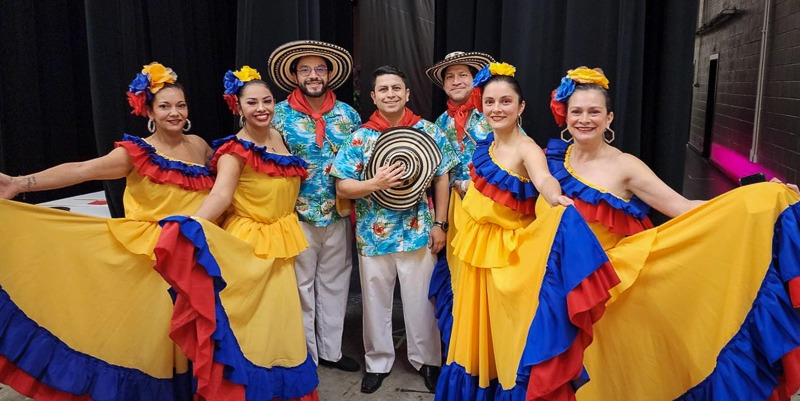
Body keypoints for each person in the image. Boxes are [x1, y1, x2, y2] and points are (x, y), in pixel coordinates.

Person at [543, 67, 800, 400]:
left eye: (594, 112)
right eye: (577, 111)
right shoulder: (552, 159)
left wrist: (758, 198)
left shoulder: (626, 166)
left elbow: (682, 206)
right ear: (565, 116)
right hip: (562, 280)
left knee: (620, 366)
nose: (584, 119)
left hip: (611, 282)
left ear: (609, 119)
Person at [0, 62, 214, 400]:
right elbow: (83, 170)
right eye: (165, 106)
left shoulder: (200, 146)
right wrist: (19, 183)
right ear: (149, 111)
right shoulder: (136, 154)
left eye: (180, 105)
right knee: (159, 334)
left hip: (197, 250)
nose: (174, 113)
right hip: (153, 256)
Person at [430, 63, 620, 401]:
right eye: (490, 102)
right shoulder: (486, 142)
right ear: (481, 105)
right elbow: (487, 186)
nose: (496, 108)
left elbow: (543, 177)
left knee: (506, 338)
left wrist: (553, 195)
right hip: (475, 247)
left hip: (505, 256)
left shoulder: (527, 148)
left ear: (520, 108)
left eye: (505, 102)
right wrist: (462, 187)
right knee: (477, 334)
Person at [159, 66, 319, 401]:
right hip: (249, 247)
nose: (262, 108)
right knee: (248, 328)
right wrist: (190, 224)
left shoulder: (278, 136)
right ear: (238, 107)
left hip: (280, 243)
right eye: (252, 103)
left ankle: (276, 391)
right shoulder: (235, 150)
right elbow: (220, 195)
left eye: (267, 100)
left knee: (279, 328)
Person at [330, 65, 458, 394]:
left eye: (396, 88)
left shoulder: (428, 130)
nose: (390, 94)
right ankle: (377, 362)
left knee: (421, 302)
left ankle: (427, 361)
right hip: (373, 235)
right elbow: (342, 187)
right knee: (374, 302)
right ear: (373, 96)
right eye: (383, 89)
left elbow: (442, 177)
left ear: (407, 93)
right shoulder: (360, 137)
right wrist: (374, 183)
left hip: (419, 231)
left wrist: (440, 224)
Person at [268, 40, 362, 372]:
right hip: (297, 214)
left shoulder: (348, 114)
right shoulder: (277, 114)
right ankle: (307, 355)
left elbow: (359, 160)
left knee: (336, 285)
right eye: (305, 69)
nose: (313, 75)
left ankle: (332, 352)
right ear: (295, 75)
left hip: (339, 213)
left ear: (329, 74)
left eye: (319, 68)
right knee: (301, 287)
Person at [424, 51, 495, 197]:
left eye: (462, 75)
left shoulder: (492, 112)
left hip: (492, 199)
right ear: (444, 85)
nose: (456, 81)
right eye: (450, 77)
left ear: (474, 80)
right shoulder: (440, 123)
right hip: (455, 206)